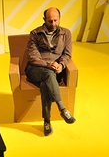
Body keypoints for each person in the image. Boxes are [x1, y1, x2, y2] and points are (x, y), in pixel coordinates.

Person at [25, 7, 76, 136]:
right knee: (48, 74)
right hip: (35, 69)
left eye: (55, 20)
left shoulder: (66, 33)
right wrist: (48, 64)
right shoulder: (35, 34)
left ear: (59, 19)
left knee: (45, 84)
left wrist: (61, 65)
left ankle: (47, 121)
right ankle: (62, 108)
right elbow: (33, 57)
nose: (53, 24)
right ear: (44, 20)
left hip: (55, 71)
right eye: (50, 21)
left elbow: (67, 54)